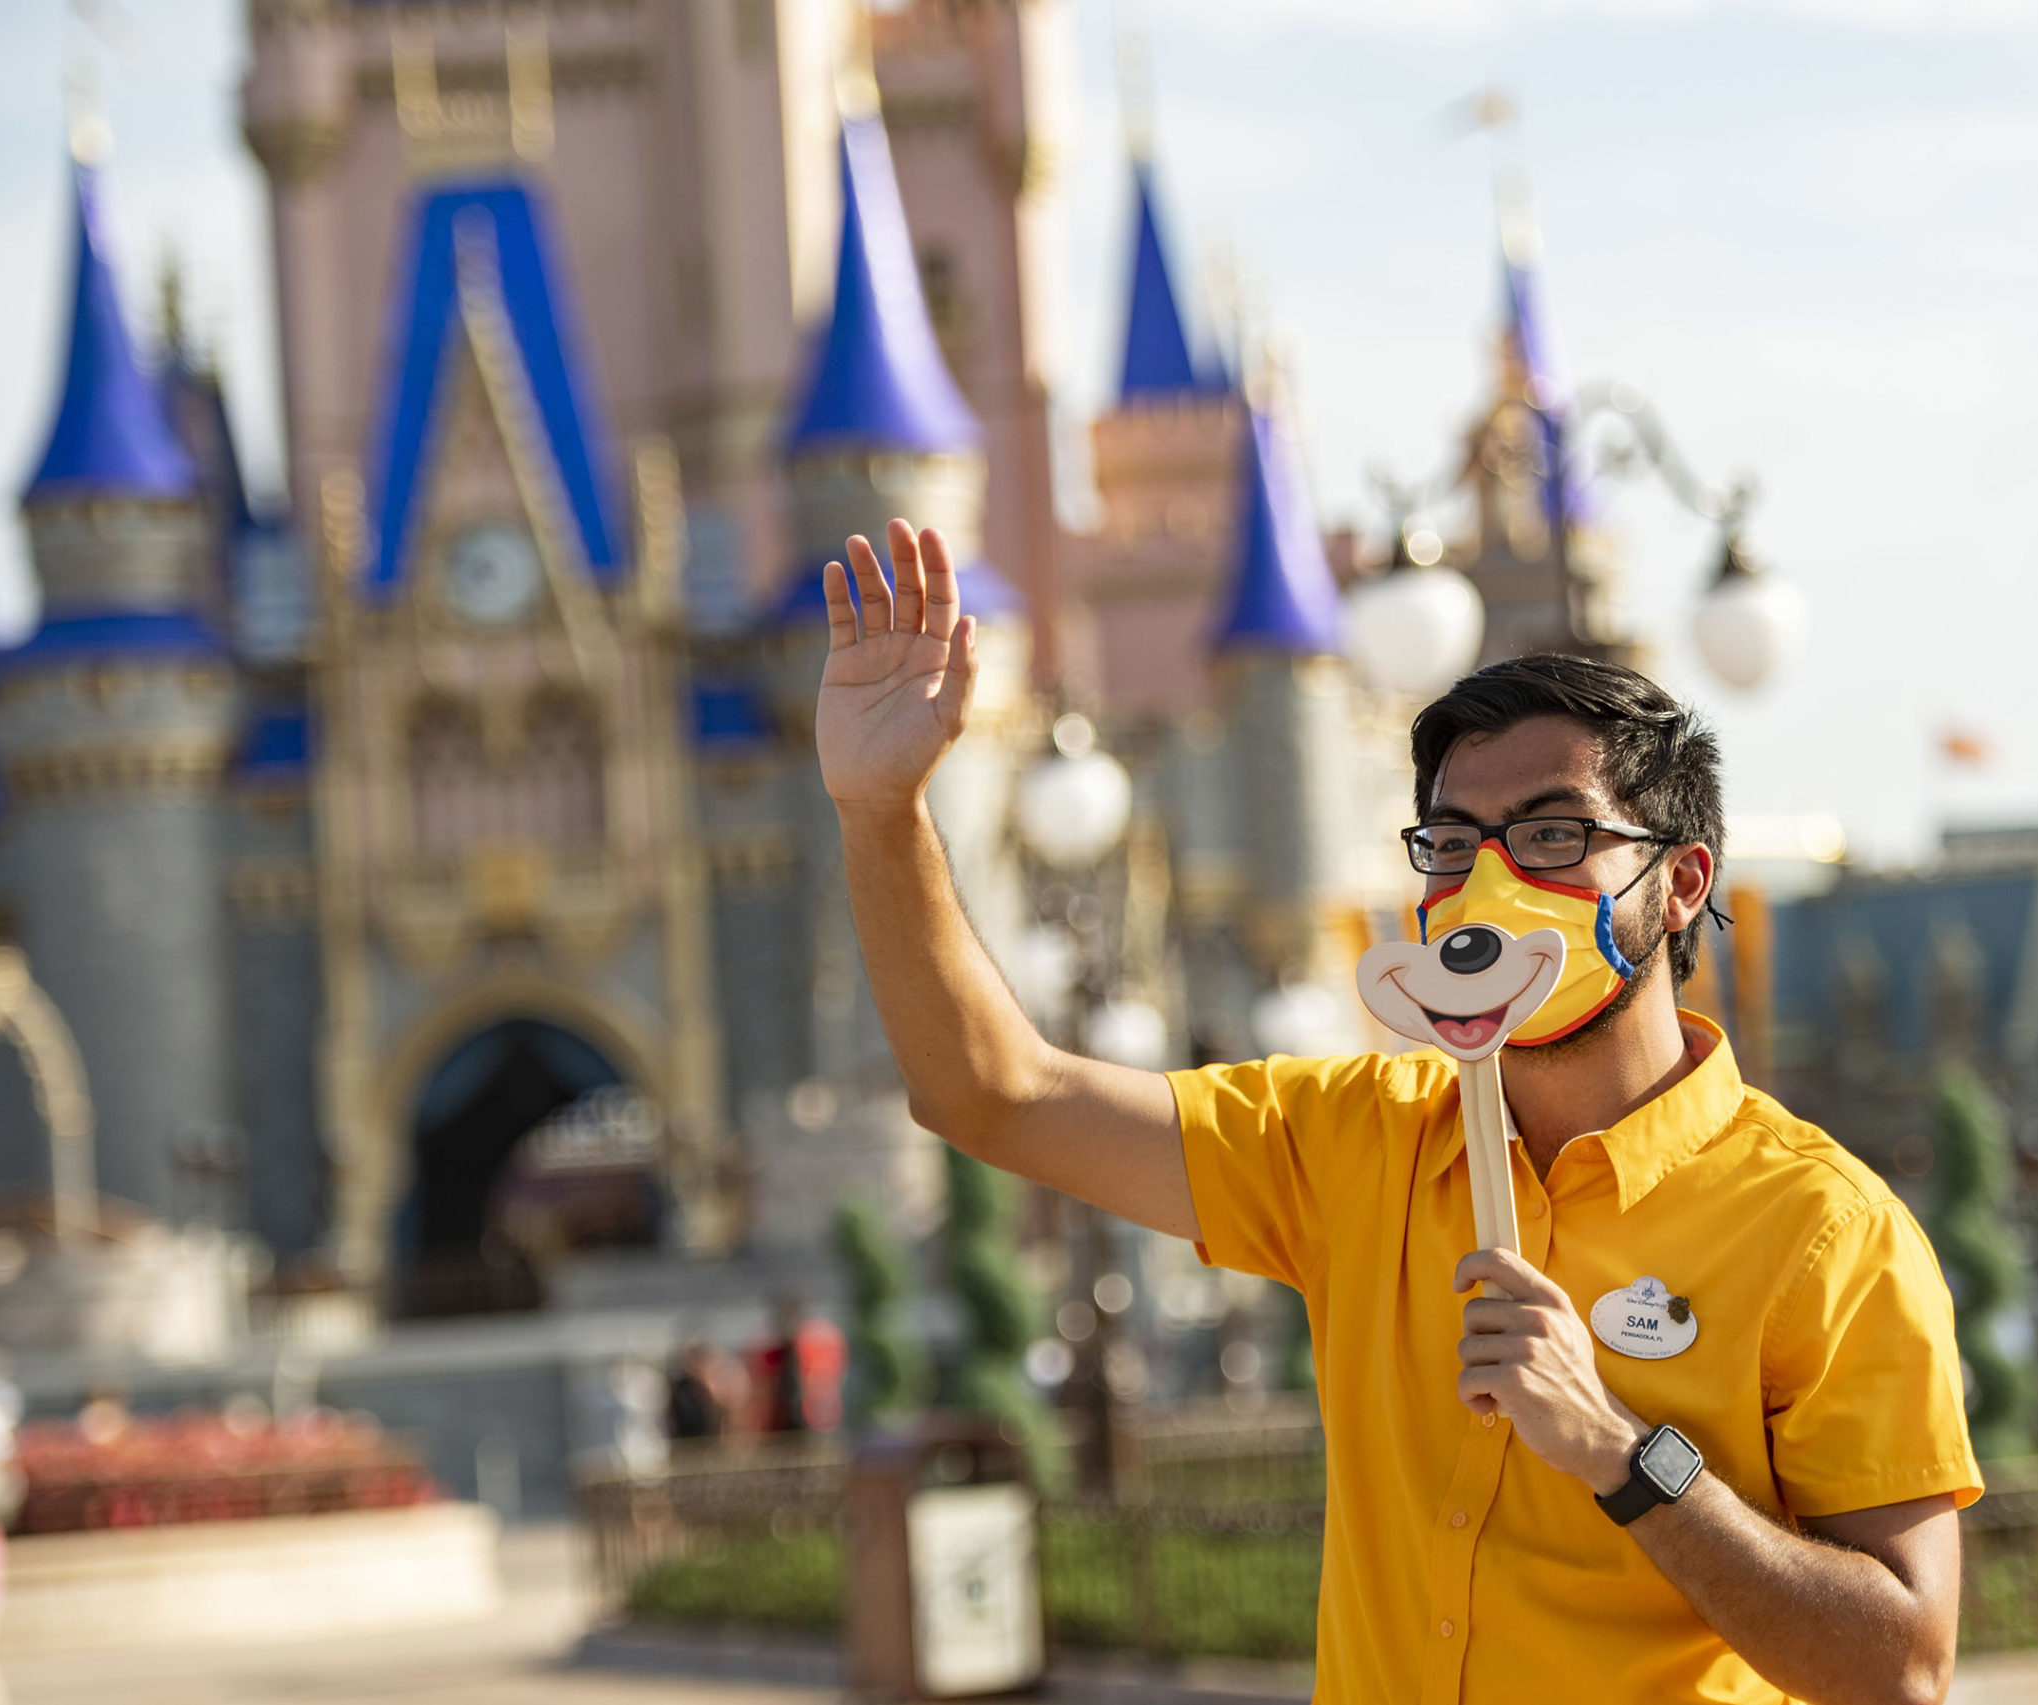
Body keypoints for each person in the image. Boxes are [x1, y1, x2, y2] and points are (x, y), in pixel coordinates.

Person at [815, 522, 1979, 1705]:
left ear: (1677, 882)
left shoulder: (1821, 1232)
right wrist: (881, 811)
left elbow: (1899, 1668)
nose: (1487, 885)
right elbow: (989, 1094)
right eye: (1452, 843)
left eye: (1550, 834)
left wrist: (1622, 1454)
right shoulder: (1350, 1141)